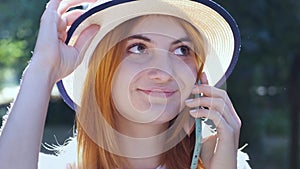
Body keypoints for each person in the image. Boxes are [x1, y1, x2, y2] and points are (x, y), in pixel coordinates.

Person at [0, 0, 251, 169]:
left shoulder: (225, 160)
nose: (164, 73)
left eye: (182, 50)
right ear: (102, 68)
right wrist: (42, 70)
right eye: (139, 47)